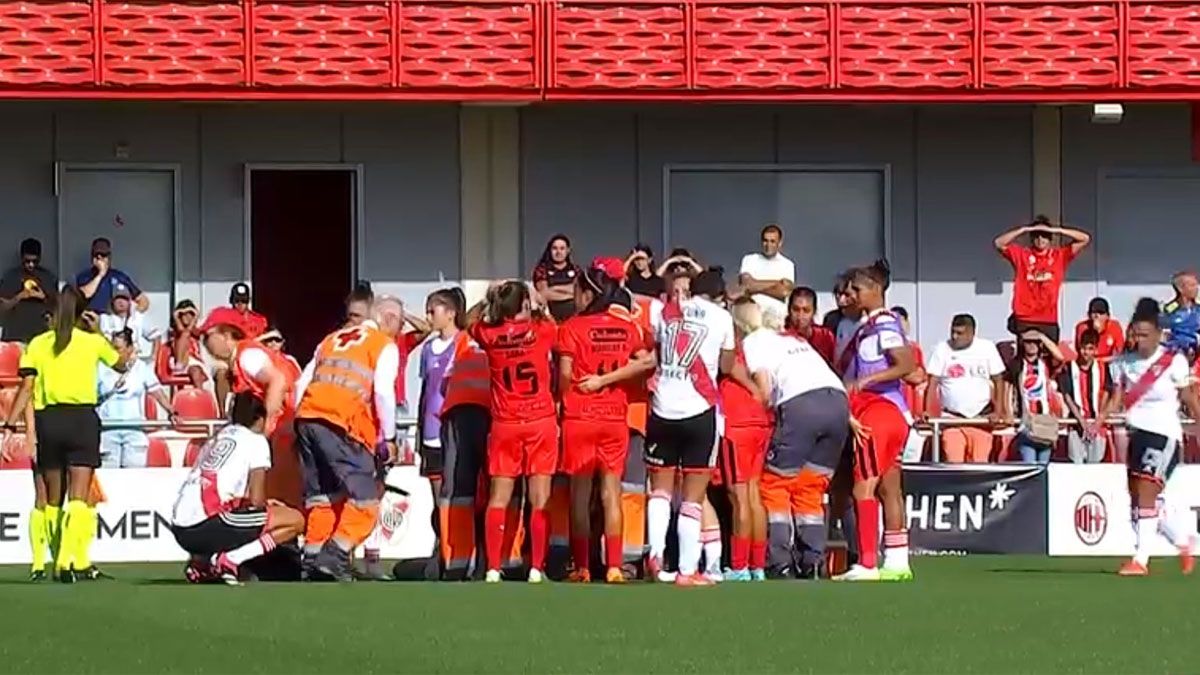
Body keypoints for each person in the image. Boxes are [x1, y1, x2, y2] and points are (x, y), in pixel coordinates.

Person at [0, 286, 123, 583]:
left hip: (48, 420)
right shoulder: (91, 342)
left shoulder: (38, 344)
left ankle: (47, 561)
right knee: (79, 496)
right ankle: (67, 561)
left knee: (50, 498)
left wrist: (8, 425)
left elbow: (27, 388)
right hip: (81, 419)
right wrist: (98, 333)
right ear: (83, 313)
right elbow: (120, 363)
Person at [646, 268, 748, 586]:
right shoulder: (721, 318)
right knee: (692, 496)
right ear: (719, 295)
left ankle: (656, 552)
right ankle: (687, 571)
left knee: (660, 490)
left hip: (662, 406)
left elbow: (657, 349)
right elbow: (727, 366)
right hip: (699, 409)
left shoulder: (665, 312)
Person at [737, 298, 850, 579]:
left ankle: (780, 562)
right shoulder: (792, 339)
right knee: (810, 488)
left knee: (775, 484)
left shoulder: (755, 342)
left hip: (800, 404)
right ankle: (813, 560)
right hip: (837, 401)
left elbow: (763, 387)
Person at [291, 297, 402, 581]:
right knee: (366, 500)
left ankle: (312, 559)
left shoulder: (330, 340)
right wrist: (388, 438)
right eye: (399, 324)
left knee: (323, 497)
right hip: (341, 423)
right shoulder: (382, 345)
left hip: (307, 418)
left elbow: (301, 383)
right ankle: (335, 556)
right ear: (388, 319)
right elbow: (383, 393)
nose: (400, 331)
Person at [558, 258, 654, 584]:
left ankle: (582, 566)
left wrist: (573, 392)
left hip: (580, 416)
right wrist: (612, 378)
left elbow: (565, 375)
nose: (574, 296)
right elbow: (648, 362)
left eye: (577, 290)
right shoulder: (628, 328)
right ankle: (614, 565)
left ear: (588, 293)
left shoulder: (571, 327)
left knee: (580, 495)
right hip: (615, 416)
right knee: (611, 493)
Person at [1099, 300, 1200, 575]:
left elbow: (1188, 397)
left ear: (1158, 334)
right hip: (1136, 433)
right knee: (1138, 499)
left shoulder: (1173, 361)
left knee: (1146, 490)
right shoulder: (1123, 363)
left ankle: (1140, 560)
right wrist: (1100, 419)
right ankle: (1183, 540)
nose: (1139, 340)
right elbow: (1117, 397)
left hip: (1164, 433)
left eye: (1145, 335)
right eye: (1135, 334)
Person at [835, 260, 919, 582]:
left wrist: (864, 383)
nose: (851, 294)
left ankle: (868, 563)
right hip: (893, 410)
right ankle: (897, 561)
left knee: (863, 487)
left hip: (879, 409)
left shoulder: (883, 324)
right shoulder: (871, 324)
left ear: (875, 290)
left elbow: (906, 364)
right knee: (889, 488)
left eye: (857, 289)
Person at [470, 281, 559, 583]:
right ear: (523, 304)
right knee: (540, 498)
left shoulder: (490, 335)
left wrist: (488, 298)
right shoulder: (540, 331)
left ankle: (493, 568)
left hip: (505, 424)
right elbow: (550, 321)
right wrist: (538, 304)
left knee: (499, 497)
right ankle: (536, 567)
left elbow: (467, 321)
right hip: (540, 421)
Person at [170, 392, 306, 585]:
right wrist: (269, 507)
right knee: (295, 520)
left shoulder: (217, 438)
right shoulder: (256, 441)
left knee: (240, 516)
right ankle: (232, 559)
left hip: (181, 530)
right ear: (260, 419)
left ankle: (201, 563)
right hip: (208, 523)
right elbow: (257, 500)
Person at [432, 288, 492, 580]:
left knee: (465, 490)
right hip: (476, 414)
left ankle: (471, 562)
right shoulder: (470, 335)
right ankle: (465, 562)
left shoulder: (477, 336)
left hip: (478, 415)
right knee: (462, 491)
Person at [717, 300, 773, 582]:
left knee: (739, 497)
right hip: (757, 421)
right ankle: (757, 565)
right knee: (753, 494)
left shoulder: (730, 339)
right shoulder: (759, 342)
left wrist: (750, 388)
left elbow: (730, 365)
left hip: (737, 420)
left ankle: (739, 566)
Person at [924, 314, 1006, 463]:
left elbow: (998, 380)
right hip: (952, 419)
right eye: (953, 332)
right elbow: (932, 383)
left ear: (972, 333)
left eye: (960, 333)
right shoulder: (942, 349)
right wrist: (928, 411)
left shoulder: (987, 348)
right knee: (954, 462)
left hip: (981, 418)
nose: (955, 337)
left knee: (979, 465)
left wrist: (998, 410)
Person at [994, 216, 1090, 342]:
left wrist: (1058, 230)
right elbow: (998, 243)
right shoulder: (1022, 255)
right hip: (1025, 317)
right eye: (1036, 235)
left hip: (1048, 318)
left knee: (1051, 359)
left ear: (1049, 238)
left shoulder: (1059, 256)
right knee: (1027, 358)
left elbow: (1084, 239)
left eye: (1044, 235)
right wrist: (1024, 229)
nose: (1040, 239)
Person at [97, 329, 177, 468]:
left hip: (134, 430)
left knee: (134, 475)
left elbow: (157, 391)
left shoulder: (141, 367)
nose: (114, 353)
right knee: (108, 477)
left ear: (130, 349)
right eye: (111, 348)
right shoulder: (100, 367)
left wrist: (171, 411)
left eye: (118, 349)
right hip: (107, 430)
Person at [198, 307, 291, 423]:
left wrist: (267, 426)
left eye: (207, 337)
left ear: (226, 335)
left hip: (288, 423)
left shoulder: (247, 356)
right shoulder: (242, 356)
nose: (204, 343)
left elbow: (278, 380)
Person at [1003, 329, 1066, 464]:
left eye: (1035, 342)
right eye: (1028, 342)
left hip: (1045, 421)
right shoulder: (1016, 364)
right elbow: (1007, 388)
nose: (1031, 345)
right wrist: (1008, 411)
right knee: (1030, 465)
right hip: (1026, 421)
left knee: (1043, 466)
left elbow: (1060, 357)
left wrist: (1042, 336)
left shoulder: (1046, 363)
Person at [1058, 328, 1113, 464]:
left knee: (1095, 464)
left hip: (1097, 426)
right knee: (1076, 463)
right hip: (1076, 423)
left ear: (1095, 350)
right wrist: (1082, 422)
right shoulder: (1069, 368)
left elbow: (1107, 393)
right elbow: (1068, 397)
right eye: (1083, 348)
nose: (1086, 353)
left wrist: (1097, 423)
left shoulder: (1103, 368)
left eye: (1090, 349)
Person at [0, 238, 58, 344]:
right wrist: (20, 296)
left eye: (35, 261)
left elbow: (58, 307)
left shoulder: (48, 277)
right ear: (21, 257)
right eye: (27, 261)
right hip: (15, 336)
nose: (31, 265)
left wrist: (43, 297)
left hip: (41, 337)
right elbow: (3, 308)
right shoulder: (11, 276)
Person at [738, 224, 795, 323]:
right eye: (765, 241)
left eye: (772, 241)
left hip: (776, 318)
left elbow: (783, 292)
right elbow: (746, 285)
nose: (768, 245)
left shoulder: (787, 264)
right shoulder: (749, 259)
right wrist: (776, 284)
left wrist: (754, 286)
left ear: (780, 243)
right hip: (751, 316)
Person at [76, 238, 149, 314]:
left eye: (104, 255)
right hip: (90, 320)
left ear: (109, 257)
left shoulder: (119, 277)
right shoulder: (84, 277)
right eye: (96, 256)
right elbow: (85, 294)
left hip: (112, 321)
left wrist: (130, 318)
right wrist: (100, 274)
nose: (100, 259)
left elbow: (143, 301)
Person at [98, 283, 161, 365]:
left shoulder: (138, 317)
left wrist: (153, 358)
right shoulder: (104, 318)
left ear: (129, 302)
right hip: (111, 361)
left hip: (134, 360)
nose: (121, 302)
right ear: (112, 301)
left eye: (124, 298)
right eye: (117, 298)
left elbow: (156, 335)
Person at [532, 234, 582, 322]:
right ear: (550, 250)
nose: (558, 252)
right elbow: (543, 294)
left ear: (568, 250)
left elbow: (581, 293)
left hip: (574, 319)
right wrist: (571, 293)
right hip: (550, 318)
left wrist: (554, 288)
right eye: (555, 248)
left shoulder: (576, 269)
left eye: (562, 248)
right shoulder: (542, 269)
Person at [784, 287, 835, 366]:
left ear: (814, 311)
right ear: (789, 310)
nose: (800, 315)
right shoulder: (780, 336)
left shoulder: (825, 336)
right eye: (796, 309)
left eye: (806, 310)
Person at [165, 300, 207, 387]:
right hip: (177, 360)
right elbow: (182, 331)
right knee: (184, 334)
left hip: (192, 361)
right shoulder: (173, 331)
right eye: (183, 314)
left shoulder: (196, 331)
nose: (186, 316)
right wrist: (176, 318)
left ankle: (199, 397)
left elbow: (191, 331)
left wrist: (195, 317)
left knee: (196, 372)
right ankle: (180, 364)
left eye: (189, 314)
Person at [1162, 271, 1200, 361]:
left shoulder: (1198, 309)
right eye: (1192, 285)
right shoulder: (1170, 309)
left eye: (1196, 285)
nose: (1196, 288)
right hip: (1175, 356)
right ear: (1180, 289)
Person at [1074, 297, 1125, 362]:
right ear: (1089, 315)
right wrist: (1094, 332)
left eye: (1101, 313)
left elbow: (1119, 354)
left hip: (1109, 363)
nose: (1097, 316)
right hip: (1090, 364)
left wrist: (1101, 361)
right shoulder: (1082, 327)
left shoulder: (1115, 326)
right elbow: (1084, 353)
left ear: (1108, 316)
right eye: (1094, 313)